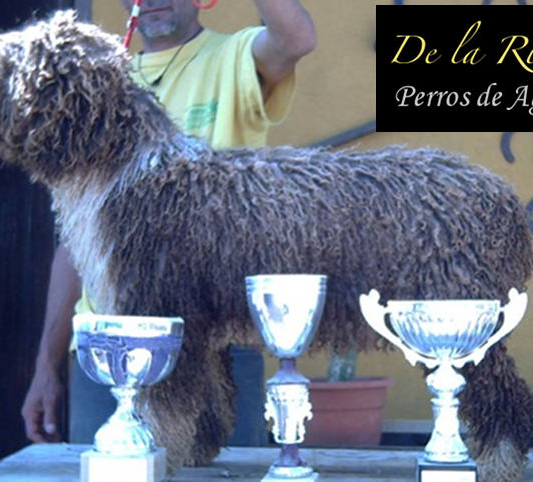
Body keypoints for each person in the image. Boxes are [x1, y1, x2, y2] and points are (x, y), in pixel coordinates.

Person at [21, 0, 315, 445]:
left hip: (218, 341)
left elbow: (297, 39)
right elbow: (74, 242)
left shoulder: (233, 56)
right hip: (107, 345)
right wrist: (46, 365)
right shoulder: (97, 92)